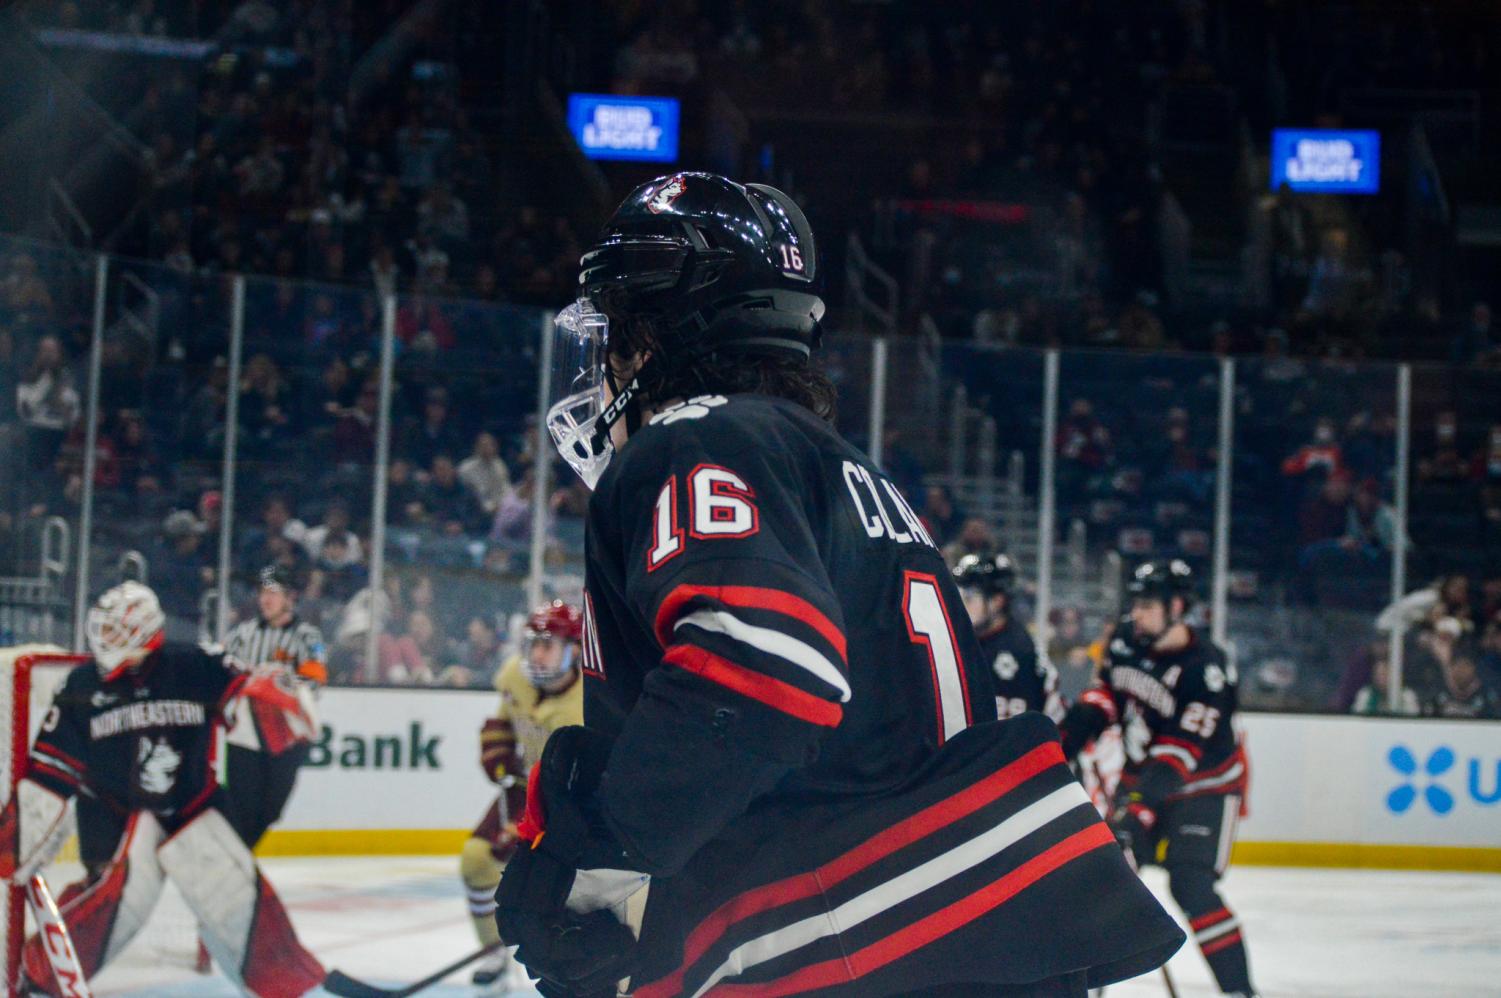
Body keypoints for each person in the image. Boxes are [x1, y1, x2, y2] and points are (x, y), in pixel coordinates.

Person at [494, 172, 1181, 998]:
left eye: (617, 331)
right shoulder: (848, 472)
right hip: (972, 926)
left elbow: (760, 667)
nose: (603, 364)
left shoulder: (695, 436)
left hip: (861, 939)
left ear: (661, 331)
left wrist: (595, 861)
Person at [0, 582, 324, 996]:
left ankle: (291, 985)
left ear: (144, 630)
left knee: (233, 896)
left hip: (192, 808)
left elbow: (248, 707)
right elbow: (51, 772)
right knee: (113, 901)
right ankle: (41, 980)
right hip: (114, 818)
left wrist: (276, 703)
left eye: (116, 631)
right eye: (104, 630)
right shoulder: (81, 686)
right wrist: (17, 841)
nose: (105, 640)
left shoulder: (194, 664)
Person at [1059, 560, 1256, 998]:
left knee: (1191, 885)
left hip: (1206, 788)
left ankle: (1241, 992)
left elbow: (1179, 754)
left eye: (1148, 604)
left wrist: (1137, 811)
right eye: (1136, 603)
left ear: (1177, 607)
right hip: (1145, 778)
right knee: (1104, 876)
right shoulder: (1127, 640)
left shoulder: (1207, 670)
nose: (1137, 613)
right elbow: (1105, 695)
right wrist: (1064, 741)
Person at [461, 602, 585, 990]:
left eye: (549, 645)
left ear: (575, 651)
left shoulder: (587, 698)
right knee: (475, 860)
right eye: (534, 644)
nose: (538, 654)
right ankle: (493, 952)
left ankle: (563, 962)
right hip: (522, 790)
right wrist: (497, 756)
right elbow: (501, 723)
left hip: (569, 800)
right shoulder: (516, 676)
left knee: (566, 889)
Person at [221, 565, 327, 847]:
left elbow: (316, 679)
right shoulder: (242, 635)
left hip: (287, 739)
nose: (264, 600)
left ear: (290, 598)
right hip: (245, 736)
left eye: (272, 593)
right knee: (242, 808)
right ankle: (237, 863)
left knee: (271, 809)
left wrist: (281, 685)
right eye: (262, 593)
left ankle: (239, 860)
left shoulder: (308, 637)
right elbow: (220, 671)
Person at [953, 551, 1064, 722]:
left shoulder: (1025, 651)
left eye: (969, 597)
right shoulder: (950, 641)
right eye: (957, 596)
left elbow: (1055, 719)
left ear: (997, 601)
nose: (960, 605)